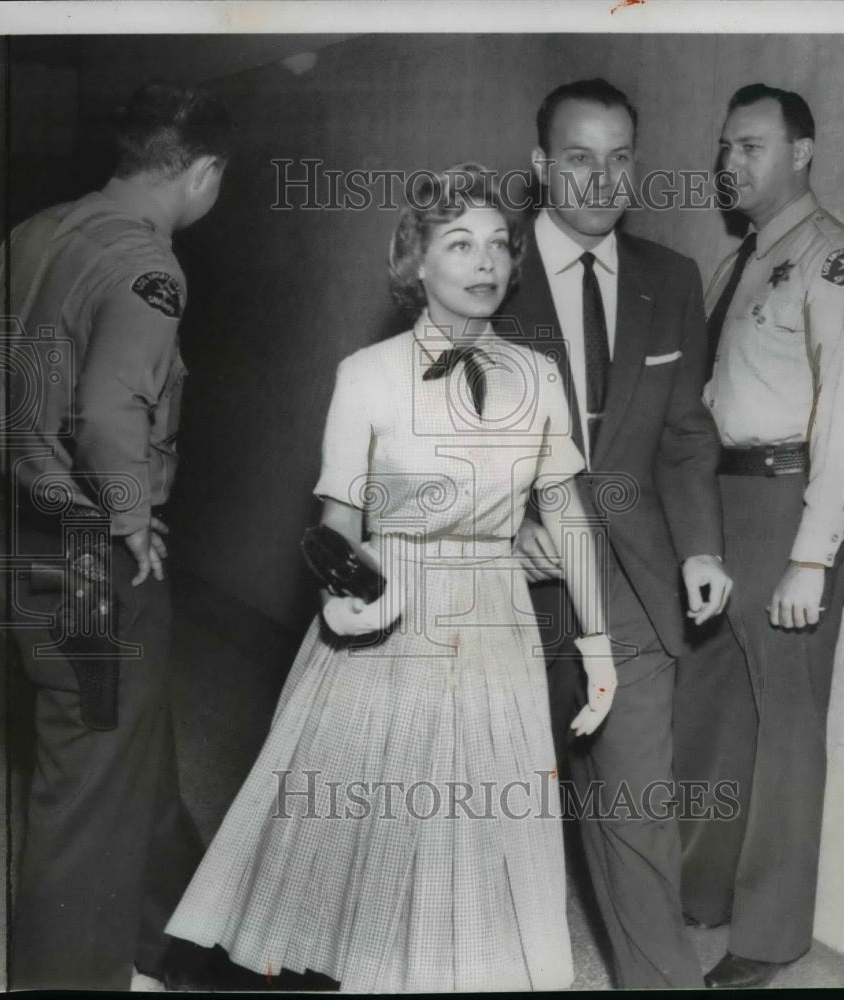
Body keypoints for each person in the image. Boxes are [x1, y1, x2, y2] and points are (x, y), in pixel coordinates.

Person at [165, 163, 616, 993]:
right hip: (393, 605)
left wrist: (597, 644)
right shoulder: (365, 372)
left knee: (483, 815)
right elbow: (339, 520)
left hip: (495, 616)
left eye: (496, 245)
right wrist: (346, 594)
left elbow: (570, 518)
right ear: (417, 265)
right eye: (458, 244)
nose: (483, 262)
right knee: (362, 821)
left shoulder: (540, 377)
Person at [0, 82, 231, 990]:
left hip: (18, 527)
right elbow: (103, 415)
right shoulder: (151, 266)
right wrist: (131, 521)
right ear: (203, 173)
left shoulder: (34, 231)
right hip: (89, 553)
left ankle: (168, 939)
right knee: (87, 784)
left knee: (131, 740)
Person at [506, 78, 732, 989]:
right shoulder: (483, 267)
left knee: (636, 807)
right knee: (490, 810)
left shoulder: (670, 280)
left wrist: (702, 548)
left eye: (618, 158)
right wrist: (505, 521)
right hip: (506, 590)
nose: (601, 180)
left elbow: (682, 437)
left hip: (634, 586)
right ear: (539, 167)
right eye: (577, 158)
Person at [673, 84, 844, 989]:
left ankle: (768, 935)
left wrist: (811, 554)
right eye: (725, 147)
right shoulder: (738, 265)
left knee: (785, 728)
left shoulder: (835, 262)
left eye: (752, 146)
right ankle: (700, 889)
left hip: (792, 505)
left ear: (801, 151)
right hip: (726, 506)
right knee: (714, 711)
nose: (732, 163)